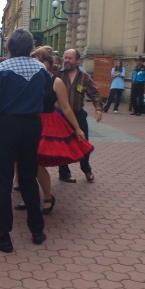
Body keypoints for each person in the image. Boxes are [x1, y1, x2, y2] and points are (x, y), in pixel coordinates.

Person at [0, 28, 51, 252]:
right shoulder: (40, 69)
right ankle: (37, 229)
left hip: (7, 126)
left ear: (9, 47)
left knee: (4, 181)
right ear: (30, 46)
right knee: (28, 176)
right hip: (32, 125)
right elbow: (49, 98)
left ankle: (3, 237)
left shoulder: (1, 70)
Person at [11, 46, 93, 214]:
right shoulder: (26, 78)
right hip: (27, 121)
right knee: (24, 162)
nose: (38, 63)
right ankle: (30, 196)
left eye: (42, 60)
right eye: (35, 60)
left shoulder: (56, 81)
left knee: (35, 162)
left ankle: (47, 197)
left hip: (47, 124)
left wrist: (77, 128)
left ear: (50, 63)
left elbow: (66, 107)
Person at [56, 49, 103, 183]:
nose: (66, 61)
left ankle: (86, 168)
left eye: (70, 58)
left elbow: (94, 93)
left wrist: (98, 109)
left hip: (79, 115)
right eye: (65, 58)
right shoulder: (58, 74)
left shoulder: (84, 77)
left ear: (77, 61)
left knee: (84, 142)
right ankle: (64, 173)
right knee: (63, 145)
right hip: (61, 116)